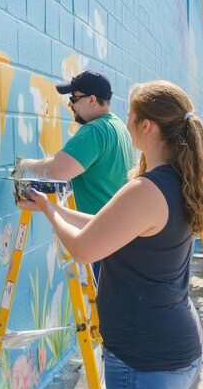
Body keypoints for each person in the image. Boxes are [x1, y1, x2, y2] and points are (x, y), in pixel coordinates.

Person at [19, 80, 203, 389]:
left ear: (148, 126)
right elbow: (105, 225)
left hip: (145, 356)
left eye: (130, 116)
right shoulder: (175, 181)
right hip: (168, 345)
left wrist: (51, 211)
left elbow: (84, 250)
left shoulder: (146, 189)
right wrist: (52, 208)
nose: (125, 124)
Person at [13, 70, 134, 281]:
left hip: (100, 238)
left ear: (92, 100)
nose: (70, 105)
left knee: (107, 307)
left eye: (74, 99)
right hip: (116, 235)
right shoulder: (118, 128)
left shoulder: (95, 131)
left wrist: (25, 167)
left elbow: (57, 171)